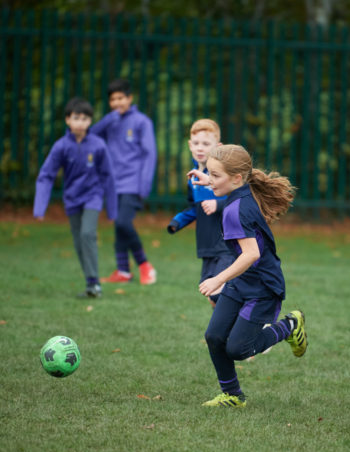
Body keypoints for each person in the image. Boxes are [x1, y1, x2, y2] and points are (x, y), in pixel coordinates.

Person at [191, 144, 307, 408]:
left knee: (238, 349)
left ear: (237, 178)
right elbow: (227, 180)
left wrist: (218, 278)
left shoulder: (236, 210)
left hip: (263, 287)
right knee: (214, 336)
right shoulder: (242, 189)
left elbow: (251, 254)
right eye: (210, 173)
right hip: (242, 281)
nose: (211, 179)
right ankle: (232, 395)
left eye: (215, 175)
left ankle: (290, 326)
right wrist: (210, 179)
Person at [33, 97, 117, 298]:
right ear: (67, 120)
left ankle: (96, 284)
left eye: (85, 119)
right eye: (76, 118)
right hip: (72, 199)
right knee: (79, 241)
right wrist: (39, 207)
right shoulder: (61, 146)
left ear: (90, 122)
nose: (81, 122)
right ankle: (90, 283)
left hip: (92, 197)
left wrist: (112, 209)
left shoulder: (98, 145)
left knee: (88, 234)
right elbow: (46, 176)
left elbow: (108, 176)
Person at [92, 78, 157, 285]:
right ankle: (123, 271)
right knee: (119, 226)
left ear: (130, 98)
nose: (117, 102)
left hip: (132, 183)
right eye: (113, 99)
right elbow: (89, 135)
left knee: (123, 222)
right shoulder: (110, 121)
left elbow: (150, 154)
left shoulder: (142, 122)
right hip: (113, 184)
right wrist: (108, 119)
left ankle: (145, 265)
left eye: (121, 98)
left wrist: (144, 185)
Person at [167, 119, 234, 307]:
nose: (200, 148)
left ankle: (244, 326)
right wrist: (178, 220)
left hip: (227, 244)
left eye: (206, 144)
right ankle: (222, 334)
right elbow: (194, 208)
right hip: (207, 246)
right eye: (196, 143)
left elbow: (240, 198)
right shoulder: (193, 177)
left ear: (218, 147)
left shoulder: (224, 174)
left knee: (220, 291)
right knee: (211, 295)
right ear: (190, 145)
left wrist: (218, 204)